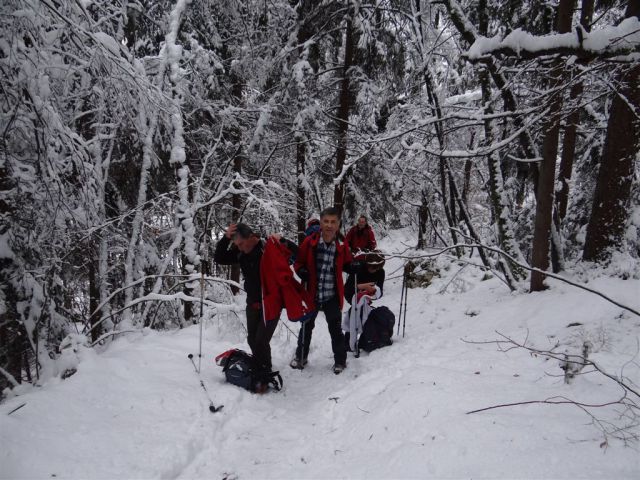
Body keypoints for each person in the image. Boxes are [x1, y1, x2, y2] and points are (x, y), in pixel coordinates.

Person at [214, 223, 297, 390]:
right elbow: (220, 258)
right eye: (237, 245)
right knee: (252, 338)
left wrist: (284, 241)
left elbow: (295, 254)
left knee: (260, 340)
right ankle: (260, 368)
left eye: (242, 244)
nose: (240, 248)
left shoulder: (268, 248)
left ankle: (264, 372)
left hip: (272, 302)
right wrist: (226, 238)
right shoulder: (240, 252)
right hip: (252, 302)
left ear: (252, 237)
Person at [290, 206, 359, 374]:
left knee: (335, 329)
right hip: (312, 294)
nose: (329, 225)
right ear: (320, 222)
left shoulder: (342, 244)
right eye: (326, 221)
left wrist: (352, 267)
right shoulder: (310, 242)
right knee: (306, 327)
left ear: (338, 224)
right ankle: (301, 357)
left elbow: (348, 263)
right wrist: (301, 271)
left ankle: (340, 361)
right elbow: (298, 262)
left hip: (332, 295)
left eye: (333, 222)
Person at [343, 251, 385, 351]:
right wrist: (363, 287)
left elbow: (380, 291)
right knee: (355, 312)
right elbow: (348, 288)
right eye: (371, 267)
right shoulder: (359, 269)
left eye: (376, 268)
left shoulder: (380, 272)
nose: (373, 270)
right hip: (352, 294)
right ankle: (349, 341)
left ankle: (365, 338)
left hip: (368, 296)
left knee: (365, 314)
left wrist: (374, 291)